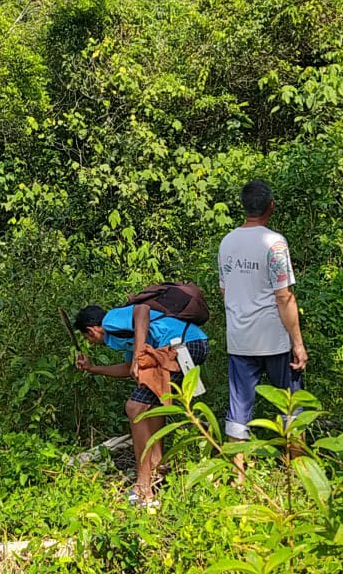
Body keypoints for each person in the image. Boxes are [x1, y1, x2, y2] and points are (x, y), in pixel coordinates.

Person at [74, 302, 209, 506]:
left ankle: (143, 483)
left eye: (87, 338)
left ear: (92, 330)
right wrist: (93, 368)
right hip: (188, 345)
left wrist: (139, 355)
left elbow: (142, 310)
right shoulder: (123, 336)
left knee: (135, 407)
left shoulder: (110, 321)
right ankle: (157, 468)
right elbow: (129, 368)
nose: (91, 343)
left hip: (183, 344)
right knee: (151, 404)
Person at [218, 180, 307, 464]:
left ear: (244, 206)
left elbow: (224, 288)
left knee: (239, 407)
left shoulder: (227, 242)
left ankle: (237, 476)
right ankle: (298, 469)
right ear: (271, 206)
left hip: (240, 338)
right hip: (275, 338)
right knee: (291, 405)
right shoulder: (275, 243)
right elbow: (284, 296)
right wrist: (298, 343)